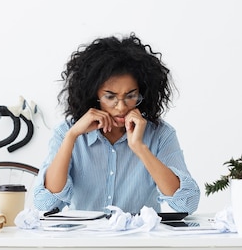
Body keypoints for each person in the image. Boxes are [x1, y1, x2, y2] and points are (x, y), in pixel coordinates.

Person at [33, 33, 200, 215]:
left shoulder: (160, 134)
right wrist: (71, 137)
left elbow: (186, 204)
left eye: (130, 96)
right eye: (110, 96)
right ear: (93, 95)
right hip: (84, 241)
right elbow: (45, 204)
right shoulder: (67, 132)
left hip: (140, 242)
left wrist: (139, 147)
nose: (121, 107)